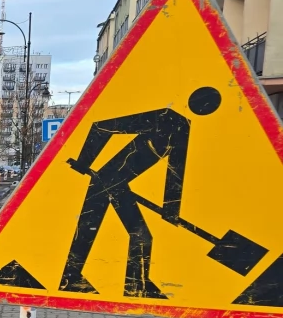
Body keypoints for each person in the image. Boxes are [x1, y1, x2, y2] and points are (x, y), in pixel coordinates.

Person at [60, 86, 220, 299]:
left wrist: (171, 210)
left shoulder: (183, 129)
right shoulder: (165, 118)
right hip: (107, 180)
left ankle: (124, 285)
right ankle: (132, 286)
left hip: (117, 184)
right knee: (104, 231)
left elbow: (175, 173)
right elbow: (101, 126)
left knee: (101, 231)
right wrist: (84, 162)